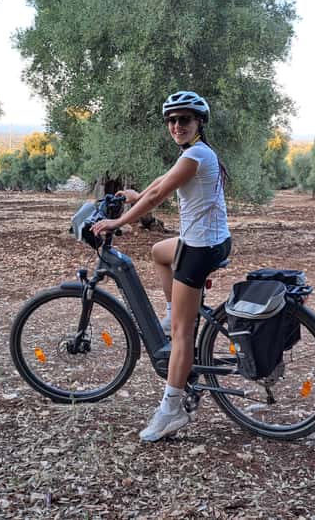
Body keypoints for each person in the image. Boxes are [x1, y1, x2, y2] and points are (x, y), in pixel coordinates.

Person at [91, 90, 231, 441]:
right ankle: (172, 314)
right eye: (171, 120)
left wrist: (118, 221)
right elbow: (159, 183)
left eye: (184, 119)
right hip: (206, 241)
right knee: (158, 251)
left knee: (183, 334)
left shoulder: (196, 155)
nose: (176, 125)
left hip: (200, 249)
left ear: (199, 122)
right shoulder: (194, 153)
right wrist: (137, 196)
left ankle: (171, 410)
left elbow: (159, 194)